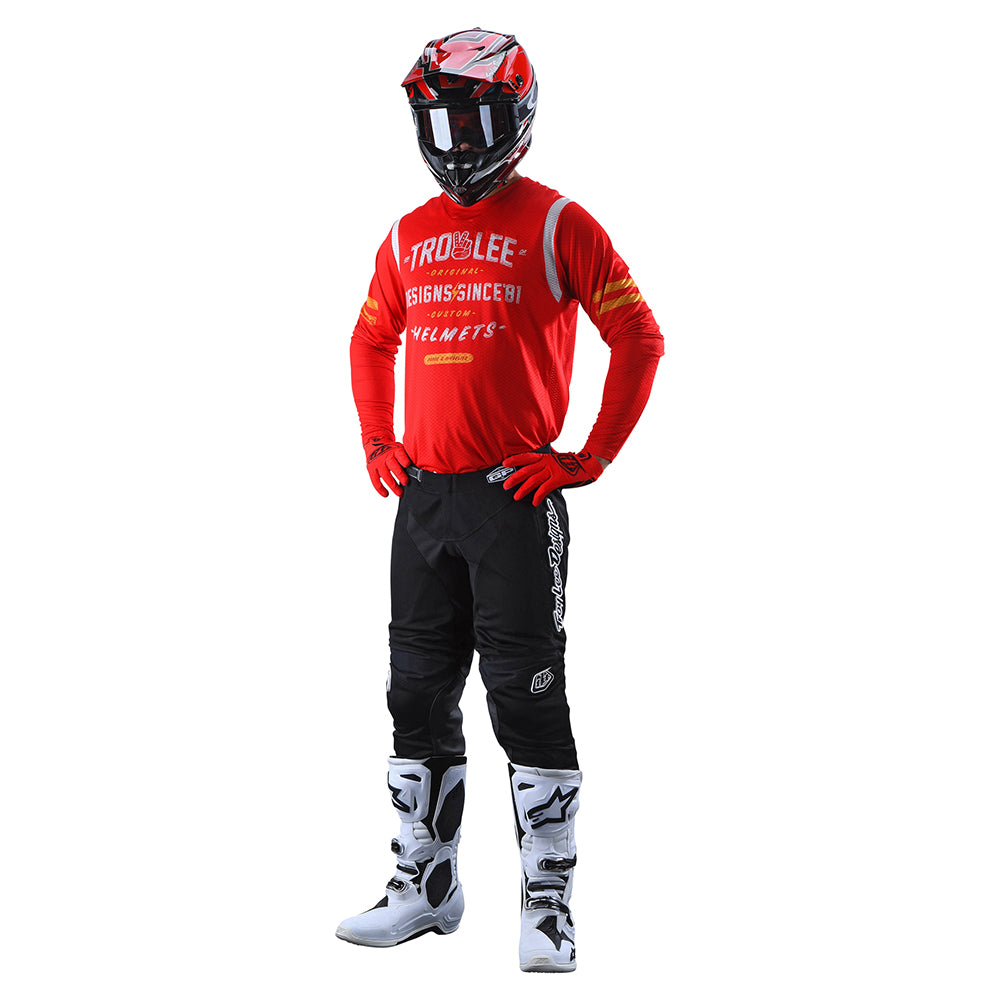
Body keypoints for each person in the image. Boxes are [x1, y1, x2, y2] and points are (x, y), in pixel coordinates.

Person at [338, 28, 664, 973]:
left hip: (512, 502)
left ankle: (548, 904)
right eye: (442, 122)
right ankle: (426, 887)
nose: (457, 142)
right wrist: (377, 439)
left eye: (475, 121)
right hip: (422, 504)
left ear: (516, 119)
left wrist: (591, 456)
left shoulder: (561, 223)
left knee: (526, 697)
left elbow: (638, 337)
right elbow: (369, 340)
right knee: (413, 692)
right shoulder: (407, 234)